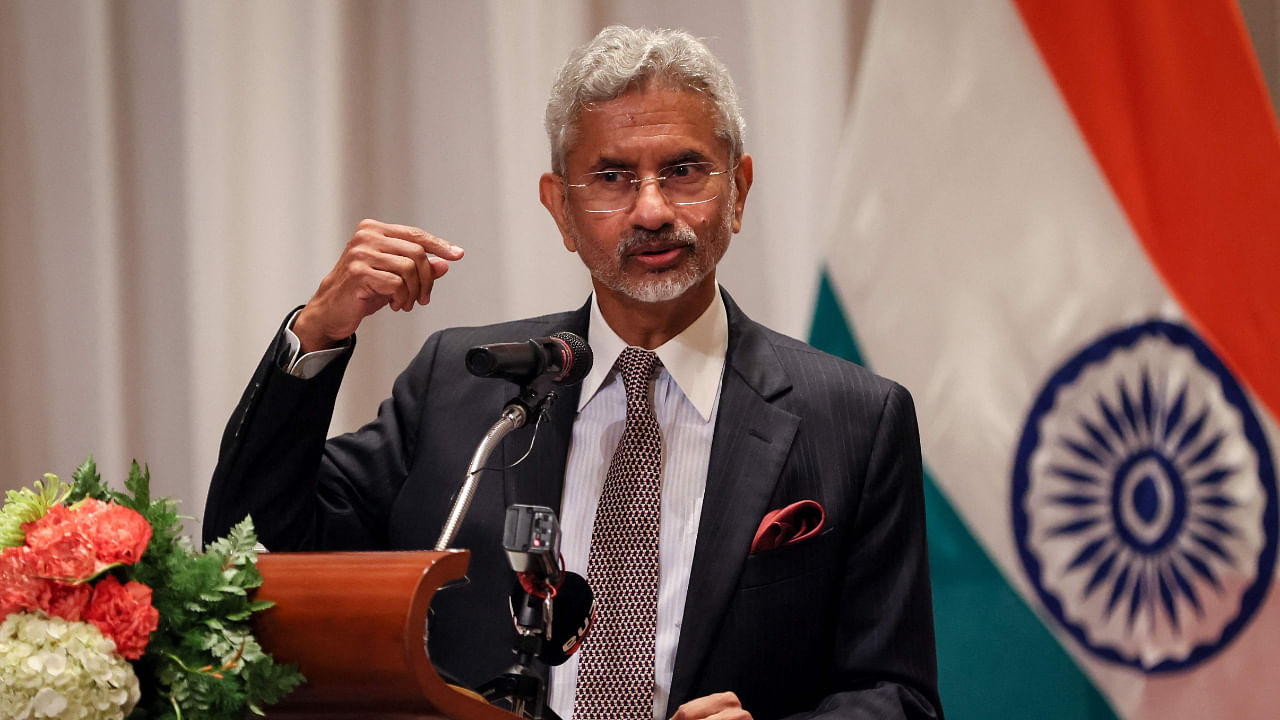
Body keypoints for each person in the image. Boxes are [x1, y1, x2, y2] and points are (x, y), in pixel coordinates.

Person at [203, 25, 942, 720]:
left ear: (739, 190)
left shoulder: (853, 418)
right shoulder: (463, 389)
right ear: (561, 209)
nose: (651, 210)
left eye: (683, 171)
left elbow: (896, 693)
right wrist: (317, 333)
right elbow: (258, 554)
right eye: (612, 177)